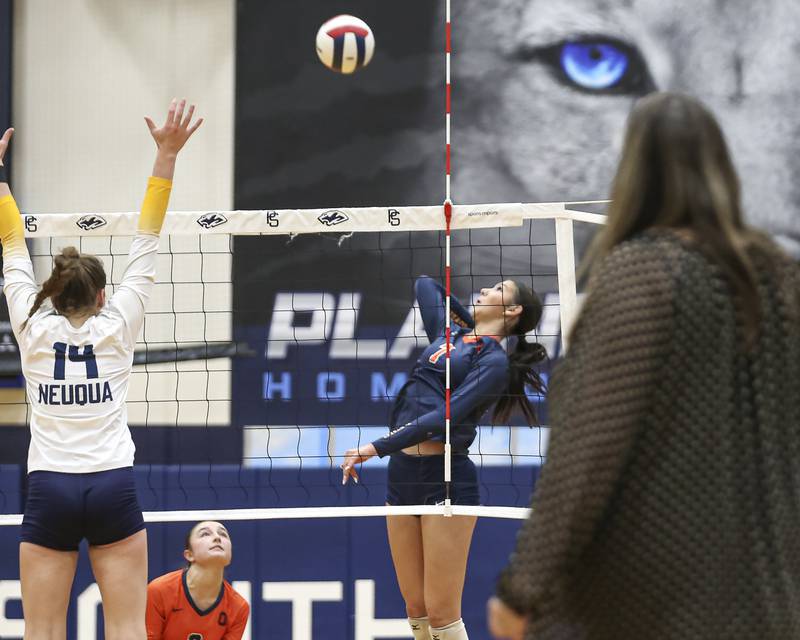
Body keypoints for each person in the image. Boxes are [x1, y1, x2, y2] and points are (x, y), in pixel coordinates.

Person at [488, 92, 800, 640]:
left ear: (632, 169)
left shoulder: (644, 273)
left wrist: (524, 588)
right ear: (722, 167)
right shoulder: (780, 274)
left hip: (653, 604)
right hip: (773, 602)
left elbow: (588, 449)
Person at [0, 99, 202, 639]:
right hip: (112, 482)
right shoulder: (119, 323)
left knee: (42, 630)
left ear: (53, 294)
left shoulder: (31, 325)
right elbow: (148, 236)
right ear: (101, 296)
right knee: (127, 629)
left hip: (50, 486)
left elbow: (12, 244)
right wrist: (166, 155)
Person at [341, 276, 547, 640]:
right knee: (415, 608)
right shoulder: (449, 334)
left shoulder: (493, 362)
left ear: (513, 310)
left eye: (498, 290)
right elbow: (426, 285)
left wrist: (377, 446)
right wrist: (474, 325)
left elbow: (444, 418)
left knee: (441, 612)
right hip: (403, 475)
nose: (485, 291)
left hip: (446, 478)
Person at [146, 520, 249, 640]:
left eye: (223, 534)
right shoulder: (159, 591)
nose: (217, 538)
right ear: (189, 555)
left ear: (230, 556)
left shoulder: (239, 607)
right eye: (205, 534)